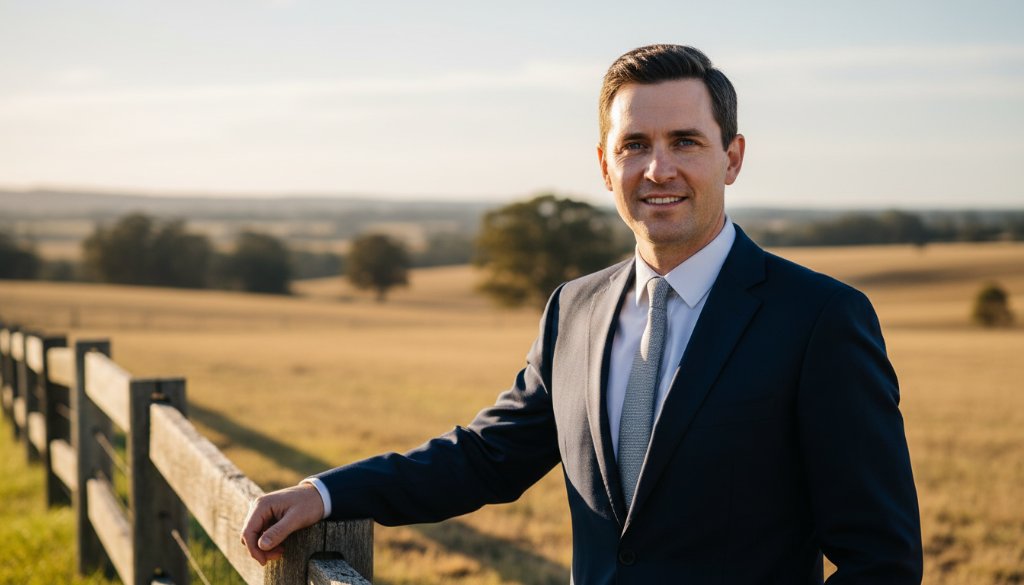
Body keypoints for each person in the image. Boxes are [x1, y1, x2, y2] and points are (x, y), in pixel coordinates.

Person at [242, 44, 923, 584]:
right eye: (634, 144)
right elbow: (486, 457)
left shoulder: (819, 318)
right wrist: (325, 494)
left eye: (685, 141)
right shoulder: (575, 307)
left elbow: (882, 559)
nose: (658, 169)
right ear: (604, 164)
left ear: (733, 158)